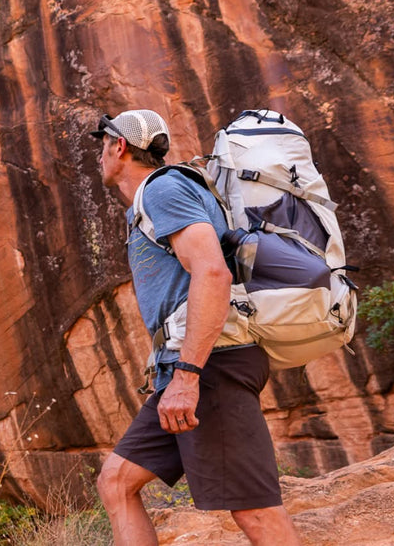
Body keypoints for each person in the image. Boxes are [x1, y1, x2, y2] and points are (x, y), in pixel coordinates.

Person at [91, 109, 303, 546]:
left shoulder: (163, 190)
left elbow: (212, 273)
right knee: (116, 482)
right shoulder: (159, 195)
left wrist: (187, 376)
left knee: (255, 511)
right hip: (185, 369)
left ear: (120, 146)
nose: (100, 155)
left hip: (209, 368)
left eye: (103, 145)